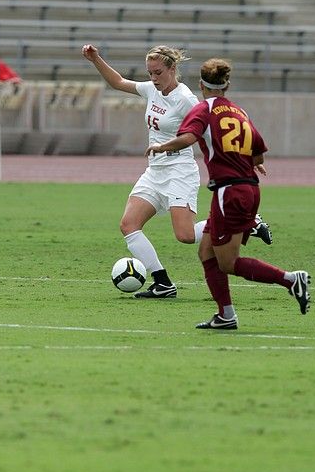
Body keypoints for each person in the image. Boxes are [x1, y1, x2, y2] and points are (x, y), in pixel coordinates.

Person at [82, 45, 273, 300]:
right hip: (155, 171)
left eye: (158, 72)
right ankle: (162, 282)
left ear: (173, 69)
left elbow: (213, 130)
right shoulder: (151, 90)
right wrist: (96, 59)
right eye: (150, 73)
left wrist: (248, 156)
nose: (153, 78)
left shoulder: (186, 100)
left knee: (184, 235)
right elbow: (117, 82)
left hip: (179, 170)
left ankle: (247, 223)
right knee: (129, 225)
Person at [145, 57, 310, 328]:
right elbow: (258, 153)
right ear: (227, 85)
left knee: (228, 263)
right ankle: (226, 315)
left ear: (200, 84)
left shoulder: (203, 110)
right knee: (206, 252)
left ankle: (291, 280)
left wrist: (163, 147)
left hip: (229, 191)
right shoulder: (238, 111)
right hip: (246, 187)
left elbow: (189, 137)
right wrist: (252, 164)